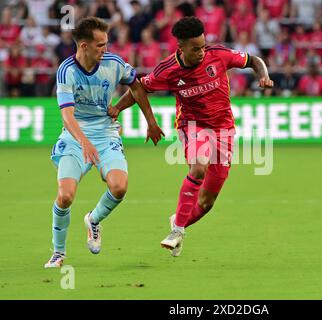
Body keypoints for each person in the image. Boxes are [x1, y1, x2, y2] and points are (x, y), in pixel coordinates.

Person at [109, 17, 273, 257]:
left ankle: (179, 220)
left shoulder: (218, 55)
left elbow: (254, 60)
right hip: (192, 125)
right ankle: (177, 231)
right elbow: (139, 89)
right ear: (181, 48)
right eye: (195, 49)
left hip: (224, 129)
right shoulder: (168, 70)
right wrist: (117, 109)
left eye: (203, 46)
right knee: (198, 167)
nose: (201, 53)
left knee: (206, 203)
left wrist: (264, 76)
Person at [45, 17, 164, 268]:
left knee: (119, 187)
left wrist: (151, 122)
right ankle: (58, 253)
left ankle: (94, 220)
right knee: (65, 196)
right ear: (84, 46)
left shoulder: (114, 63)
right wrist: (84, 141)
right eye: (100, 45)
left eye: (106, 44)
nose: (105, 49)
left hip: (106, 134)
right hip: (76, 136)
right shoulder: (66, 71)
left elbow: (138, 88)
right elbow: (67, 116)